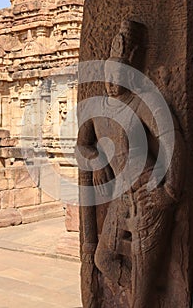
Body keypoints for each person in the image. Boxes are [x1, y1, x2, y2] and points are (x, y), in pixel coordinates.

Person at [76, 20, 186, 307]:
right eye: (108, 75)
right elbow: (81, 145)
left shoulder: (143, 101)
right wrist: (98, 162)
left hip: (149, 194)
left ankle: (146, 291)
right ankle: (146, 288)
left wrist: (169, 192)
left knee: (142, 294)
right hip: (122, 198)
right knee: (103, 258)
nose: (112, 83)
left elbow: (171, 139)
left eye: (118, 75)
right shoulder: (98, 109)